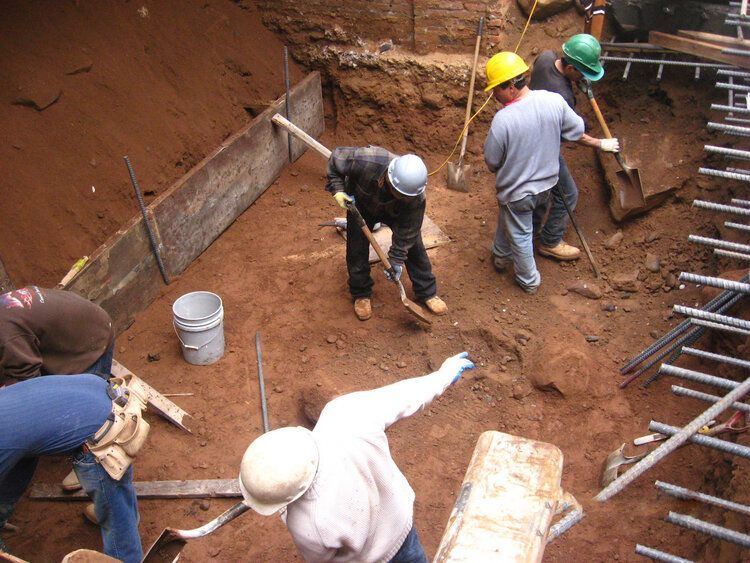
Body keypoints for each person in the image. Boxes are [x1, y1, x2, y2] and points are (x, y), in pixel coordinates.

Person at [238, 352, 476, 562]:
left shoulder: (305, 523)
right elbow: (404, 396)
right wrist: (443, 375)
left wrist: (284, 511)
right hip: (402, 529)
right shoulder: (344, 415)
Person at [483, 51, 618, 294]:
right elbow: (576, 130)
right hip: (547, 185)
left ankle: (529, 280)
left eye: (496, 89)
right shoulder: (553, 101)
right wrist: (598, 142)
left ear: (511, 86)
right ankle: (501, 255)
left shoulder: (503, 120)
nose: (494, 95)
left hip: (517, 192)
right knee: (513, 220)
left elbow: (492, 161)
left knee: (521, 233)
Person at [0, 374, 148, 562]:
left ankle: (126, 556)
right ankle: (119, 512)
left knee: (114, 506)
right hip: (102, 394)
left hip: (103, 433)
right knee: (21, 458)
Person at [326, 147, 447, 321]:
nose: (399, 196)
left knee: (414, 246)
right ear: (389, 178)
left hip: (397, 213)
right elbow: (335, 158)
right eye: (397, 193)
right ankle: (361, 293)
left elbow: (408, 232)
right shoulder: (367, 160)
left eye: (404, 196)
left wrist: (396, 259)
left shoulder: (415, 197)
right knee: (356, 247)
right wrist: (337, 190)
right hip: (360, 203)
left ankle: (426, 292)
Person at [529, 33, 605, 262]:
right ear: (571, 67)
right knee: (568, 194)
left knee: (540, 191)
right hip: (544, 145)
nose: (584, 77)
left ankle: (532, 232)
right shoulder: (562, 97)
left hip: (529, 130)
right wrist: (600, 143)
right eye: (582, 72)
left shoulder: (545, 58)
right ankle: (550, 242)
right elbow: (570, 135)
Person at [0, 286, 115, 385]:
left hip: (90, 344)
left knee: (85, 404)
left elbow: (30, 387)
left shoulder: (8, 336)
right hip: (72, 327)